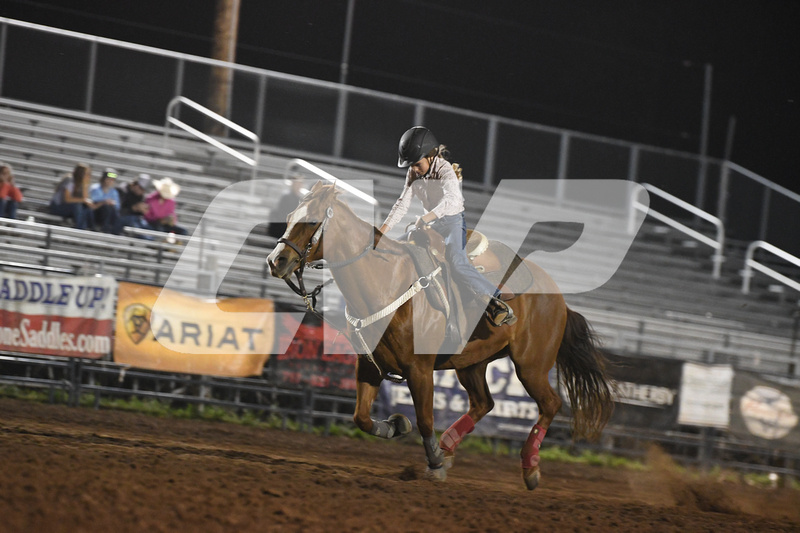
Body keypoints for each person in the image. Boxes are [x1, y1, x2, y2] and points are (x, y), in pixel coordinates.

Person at [379, 126, 516, 327]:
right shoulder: (413, 173)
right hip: (431, 223)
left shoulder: (445, 170)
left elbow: (453, 200)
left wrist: (427, 217)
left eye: (417, 164)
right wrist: (382, 231)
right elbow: (402, 203)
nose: (414, 170)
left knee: (457, 261)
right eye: (411, 166)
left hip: (452, 221)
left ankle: (496, 299)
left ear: (430, 156)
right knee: (398, 248)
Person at [49, 163, 95, 229]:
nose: (89, 176)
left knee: (87, 208)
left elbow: (84, 199)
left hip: (69, 208)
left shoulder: (81, 183)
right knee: (77, 205)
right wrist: (83, 200)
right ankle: (80, 228)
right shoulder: (70, 180)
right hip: (57, 207)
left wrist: (85, 185)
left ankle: (90, 228)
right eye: (87, 174)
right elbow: (67, 199)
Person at [267, 173, 307, 239]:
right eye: (297, 183)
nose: (298, 185)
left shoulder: (300, 199)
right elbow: (283, 215)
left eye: (300, 183)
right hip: (282, 228)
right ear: (293, 184)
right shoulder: (287, 197)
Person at [89, 167, 121, 233]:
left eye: (112, 180)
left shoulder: (114, 192)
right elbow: (94, 200)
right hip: (96, 212)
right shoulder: (95, 188)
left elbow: (117, 206)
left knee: (112, 209)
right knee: (106, 207)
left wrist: (111, 203)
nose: (110, 181)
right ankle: (105, 228)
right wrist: (105, 202)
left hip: (109, 213)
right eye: (108, 179)